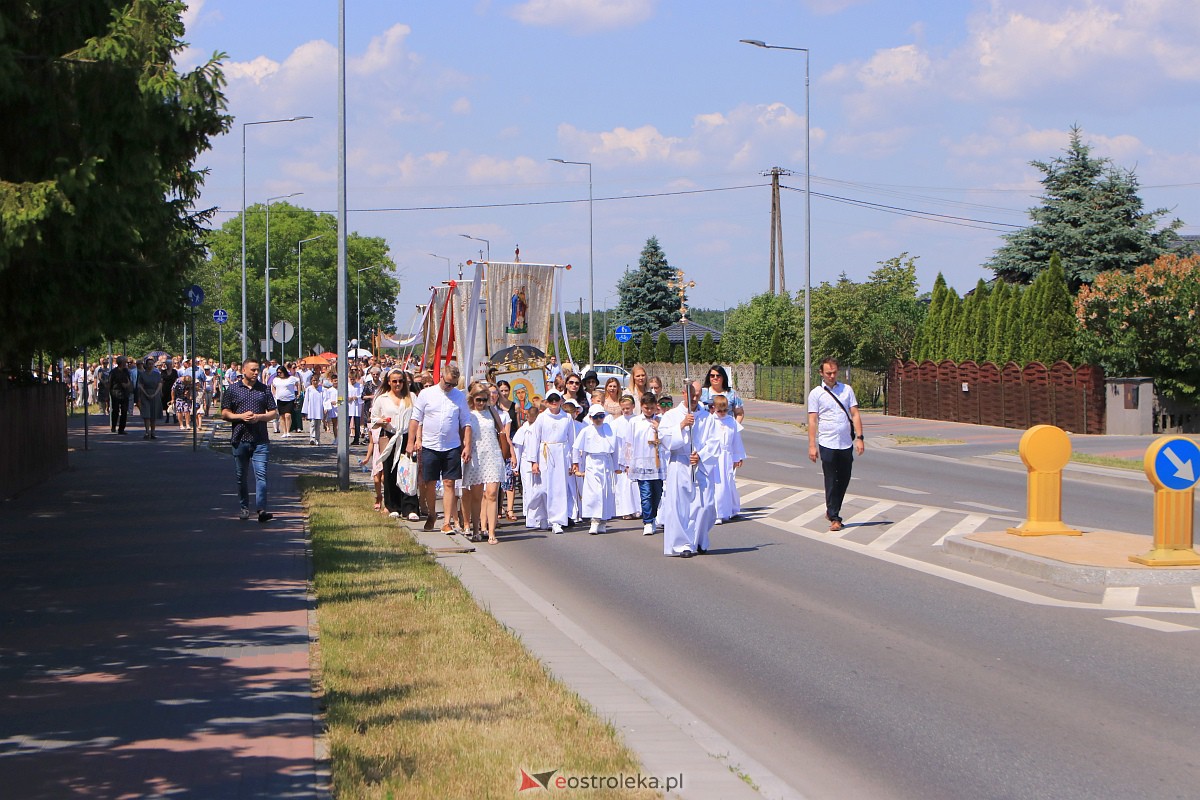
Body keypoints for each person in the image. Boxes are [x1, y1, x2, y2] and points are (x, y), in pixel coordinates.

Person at [408, 362, 472, 534]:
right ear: (441, 376)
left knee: (449, 483)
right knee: (430, 483)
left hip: (451, 446)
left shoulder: (458, 396)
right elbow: (415, 419)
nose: (450, 387)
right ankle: (431, 513)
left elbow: (466, 422)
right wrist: (411, 442)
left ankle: (447, 522)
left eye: (453, 384)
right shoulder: (426, 394)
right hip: (430, 445)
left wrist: (467, 444)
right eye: (448, 383)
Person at [658, 381, 718, 558]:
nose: (695, 398)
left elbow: (714, 442)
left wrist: (701, 455)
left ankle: (699, 539)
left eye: (698, 394)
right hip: (680, 463)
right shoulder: (672, 415)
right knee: (680, 506)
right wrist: (682, 425)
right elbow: (665, 438)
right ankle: (682, 543)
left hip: (699, 464)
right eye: (691, 394)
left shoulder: (707, 417)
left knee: (705, 505)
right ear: (683, 393)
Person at [807, 357, 865, 532]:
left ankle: (832, 508)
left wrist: (860, 437)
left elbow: (854, 414)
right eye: (828, 373)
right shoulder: (816, 393)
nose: (832, 376)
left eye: (834, 372)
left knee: (844, 478)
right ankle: (835, 516)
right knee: (831, 479)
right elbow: (812, 419)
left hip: (845, 442)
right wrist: (812, 445)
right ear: (821, 373)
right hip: (827, 442)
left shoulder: (847, 390)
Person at [220, 358, 279, 523]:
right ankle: (244, 507)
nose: (255, 373)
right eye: (252, 370)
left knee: (261, 475)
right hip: (240, 439)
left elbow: (273, 413)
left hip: (260, 439)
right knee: (241, 476)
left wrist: (259, 417)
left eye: (257, 370)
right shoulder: (233, 389)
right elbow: (225, 413)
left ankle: (261, 509)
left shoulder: (264, 389)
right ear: (243, 370)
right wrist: (240, 417)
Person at [463, 381, 508, 544]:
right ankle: (476, 529)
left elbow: (502, 430)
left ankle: (491, 532)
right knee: (476, 496)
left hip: (492, 455)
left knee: (492, 494)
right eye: (478, 400)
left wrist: (508, 450)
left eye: (484, 399)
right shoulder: (468, 413)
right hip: (476, 456)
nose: (481, 403)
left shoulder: (491, 410)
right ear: (472, 399)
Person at [372, 368, 420, 520]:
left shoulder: (411, 397)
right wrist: (382, 421)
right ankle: (393, 505)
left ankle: (410, 507)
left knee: (408, 471)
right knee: (390, 471)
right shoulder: (382, 399)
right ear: (389, 382)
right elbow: (373, 419)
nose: (398, 384)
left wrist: (417, 439)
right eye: (394, 381)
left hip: (407, 436)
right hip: (389, 436)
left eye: (400, 381)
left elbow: (418, 420)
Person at [527, 390, 576, 535]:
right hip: (545, 454)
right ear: (547, 401)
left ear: (561, 401)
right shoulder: (542, 417)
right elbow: (534, 439)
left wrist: (574, 461)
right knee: (543, 489)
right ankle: (542, 516)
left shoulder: (567, 418)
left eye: (557, 399)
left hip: (561, 453)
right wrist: (534, 461)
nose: (554, 402)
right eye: (551, 400)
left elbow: (572, 440)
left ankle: (557, 521)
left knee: (559, 489)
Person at [573, 404, 617, 534]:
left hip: (606, 462)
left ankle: (603, 520)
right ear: (591, 417)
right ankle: (594, 520)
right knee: (594, 492)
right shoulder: (586, 431)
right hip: (592, 462)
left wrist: (616, 466)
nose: (599, 419)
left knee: (606, 492)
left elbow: (615, 449)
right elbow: (576, 447)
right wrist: (576, 463)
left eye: (601, 416)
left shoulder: (609, 428)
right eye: (596, 417)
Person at [628, 392, 665, 535]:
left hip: (657, 463)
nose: (649, 411)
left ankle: (653, 516)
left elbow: (667, 440)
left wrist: (659, 428)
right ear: (641, 407)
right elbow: (629, 442)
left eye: (651, 408)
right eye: (646, 408)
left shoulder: (661, 421)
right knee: (646, 493)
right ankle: (648, 521)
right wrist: (628, 463)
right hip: (641, 462)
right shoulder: (635, 422)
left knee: (657, 493)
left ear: (656, 406)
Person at [708, 395, 746, 523]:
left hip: (727, 455)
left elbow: (736, 440)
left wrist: (738, 457)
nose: (722, 414)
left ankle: (731, 509)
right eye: (719, 411)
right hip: (715, 456)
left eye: (724, 411)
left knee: (728, 482)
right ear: (713, 409)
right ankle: (718, 513)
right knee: (718, 483)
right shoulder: (710, 421)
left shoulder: (731, 421)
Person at [513, 404, 546, 531]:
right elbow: (518, 448)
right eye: (528, 416)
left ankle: (541, 516)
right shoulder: (523, 429)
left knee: (540, 489)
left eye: (532, 416)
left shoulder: (539, 427)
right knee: (528, 490)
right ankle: (530, 516)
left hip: (539, 463)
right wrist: (516, 467)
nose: (529, 418)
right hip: (526, 463)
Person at [609, 394, 641, 519]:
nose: (626, 411)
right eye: (623, 408)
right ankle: (625, 510)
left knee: (635, 484)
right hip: (621, 458)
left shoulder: (637, 421)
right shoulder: (616, 423)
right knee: (623, 485)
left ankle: (637, 509)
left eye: (628, 408)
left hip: (635, 457)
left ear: (633, 406)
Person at [135, 357, 162, 440]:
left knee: (153, 414)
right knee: (146, 415)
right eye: (149, 364)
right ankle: (147, 431)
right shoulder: (142, 374)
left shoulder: (157, 374)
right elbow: (140, 385)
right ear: (146, 365)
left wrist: (155, 393)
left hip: (155, 394)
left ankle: (153, 432)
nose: (150, 365)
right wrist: (145, 393)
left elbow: (160, 384)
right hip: (145, 394)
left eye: (152, 364)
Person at [271, 364, 301, 438]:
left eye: (280, 372)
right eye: (278, 372)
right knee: (282, 416)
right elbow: (273, 386)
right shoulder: (276, 379)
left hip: (290, 399)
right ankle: (284, 431)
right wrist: (275, 394)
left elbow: (298, 383)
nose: (279, 374)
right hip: (280, 399)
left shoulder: (291, 378)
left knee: (288, 415)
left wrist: (298, 393)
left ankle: (288, 431)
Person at [109, 356, 132, 434]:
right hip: (115, 393)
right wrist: (109, 393)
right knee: (115, 410)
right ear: (121, 363)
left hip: (125, 393)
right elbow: (110, 383)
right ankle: (113, 426)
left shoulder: (126, 371)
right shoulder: (113, 372)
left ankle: (121, 429)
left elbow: (129, 380)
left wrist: (128, 385)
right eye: (125, 362)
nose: (126, 364)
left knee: (124, 411)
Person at [302, 373, 325, 444]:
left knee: (318, 425)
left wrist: (325, 408)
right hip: (311, 409)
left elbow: (324, 399)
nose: (315, 382)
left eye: (316, 380)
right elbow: (306, 400)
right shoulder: (309, 389)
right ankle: (312, 438)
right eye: (313, 380)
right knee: (312, 424)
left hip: (319, 409)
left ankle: (317, 439)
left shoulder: (322, 389)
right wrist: (305, 411)